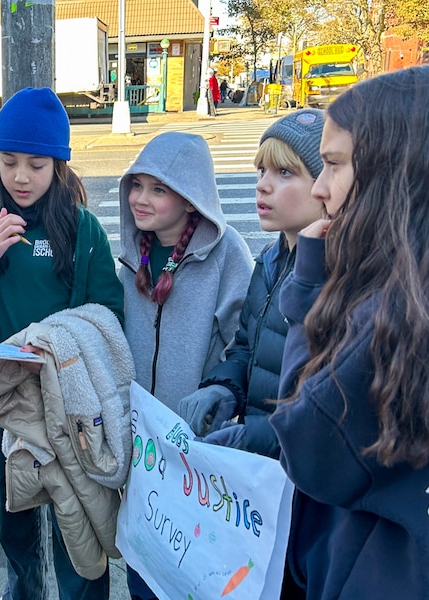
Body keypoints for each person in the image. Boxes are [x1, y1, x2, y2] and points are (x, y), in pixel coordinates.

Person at [0, 86, 124, 600]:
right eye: (9, 161)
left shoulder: (83, 229)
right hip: (6, 403)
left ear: (59, 165)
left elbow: (109, 314)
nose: (20, 177)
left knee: (76, 519)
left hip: (68, 404)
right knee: (14, 522)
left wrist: (60, 343)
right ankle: (22, 591)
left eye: (37, 165)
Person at [271, 66, 429, 598]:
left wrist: (310, 280)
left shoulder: (391, 313)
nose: (321, 188)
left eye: (334, 165)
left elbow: (306, 436)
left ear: (392, 172)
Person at [117, 131, 253, 599]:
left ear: (192, 198)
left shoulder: (228, 254)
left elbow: (245, 343)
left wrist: (216, 404)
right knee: (143, 557)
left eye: (159, 189)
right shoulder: (132, 251)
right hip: (141, 445)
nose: (141, 199)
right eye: (137, 185)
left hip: (197, 450)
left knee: (188, 567)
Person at [177, 109, 326, 459]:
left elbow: (329, 409)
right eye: (262, 170)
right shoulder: (269, 260)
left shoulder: (338, 275)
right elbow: (248, 346)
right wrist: (223, 387)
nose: (262, 184)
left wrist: (253, 436)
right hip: (262, 473)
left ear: (326, 184)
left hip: (304, 475)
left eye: (285, 172)